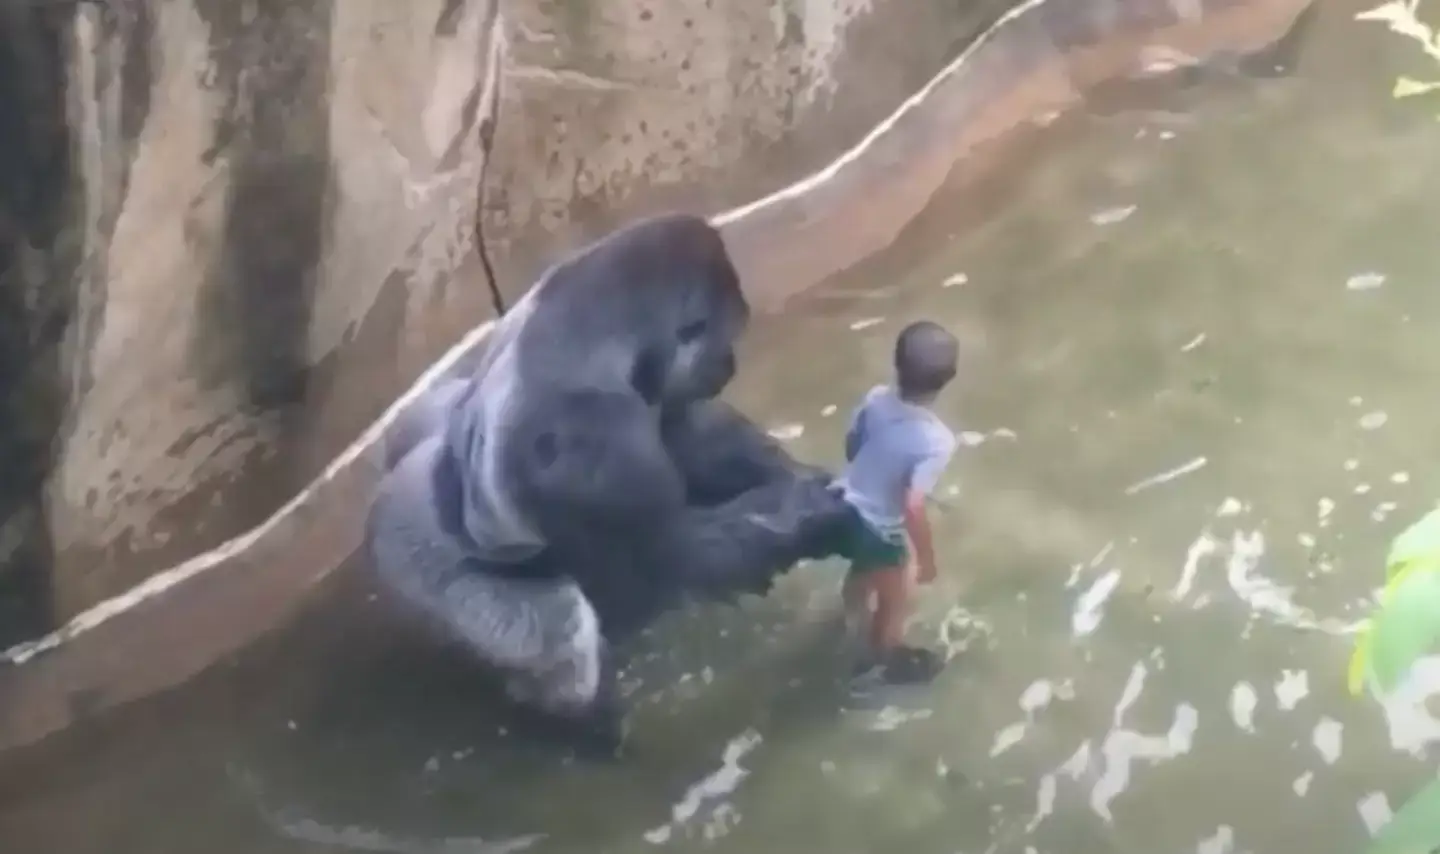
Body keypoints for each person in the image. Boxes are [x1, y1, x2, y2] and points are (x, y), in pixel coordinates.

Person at [832, 320, 959, 686]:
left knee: (862, 570)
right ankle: (879, 662)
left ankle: (846, 618)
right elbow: (913, 505)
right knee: (895, 598)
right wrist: (928, 559)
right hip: (878, 529)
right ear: (947, 379)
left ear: (896, 363)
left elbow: (853, 446)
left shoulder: (874, 399)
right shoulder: (937, 441)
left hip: (843, 506)